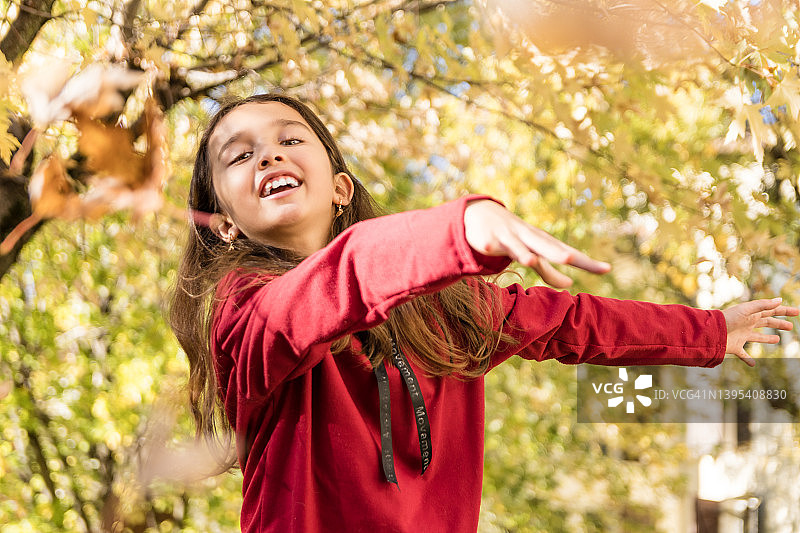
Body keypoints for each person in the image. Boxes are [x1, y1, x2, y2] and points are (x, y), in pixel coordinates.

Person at [169, 93, 797, 533]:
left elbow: (574, 324)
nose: (268, 156)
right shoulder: (244, 318)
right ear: (224, 224)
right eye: (240, 155)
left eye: (287, 139)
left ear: (340, 187)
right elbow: (334, 283)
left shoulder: (441, 312)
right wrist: (464, 227)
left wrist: (712, 331)